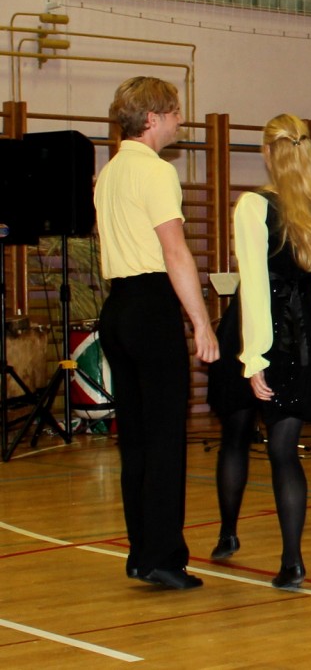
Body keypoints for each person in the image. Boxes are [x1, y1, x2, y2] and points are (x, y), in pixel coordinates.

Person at [207, 114, 311, 588]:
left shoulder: (254, 205)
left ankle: (228, 534)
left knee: (235, 437)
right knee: (284, 451)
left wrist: (254, 358)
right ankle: (292, 561)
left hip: (256, 332)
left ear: (267, 153)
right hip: (305, 334)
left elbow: (254, 284)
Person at [95, 76, 219, 590]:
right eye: (173, 112)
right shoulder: (155, 171)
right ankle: (164, 556)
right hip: (150, 306)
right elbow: (174, 252)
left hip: (118, 308)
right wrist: (201, 321)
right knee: (165, 436)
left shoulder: (108, 173)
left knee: (137, 438)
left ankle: (141, 552)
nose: (179, 120)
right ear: (152, 119)